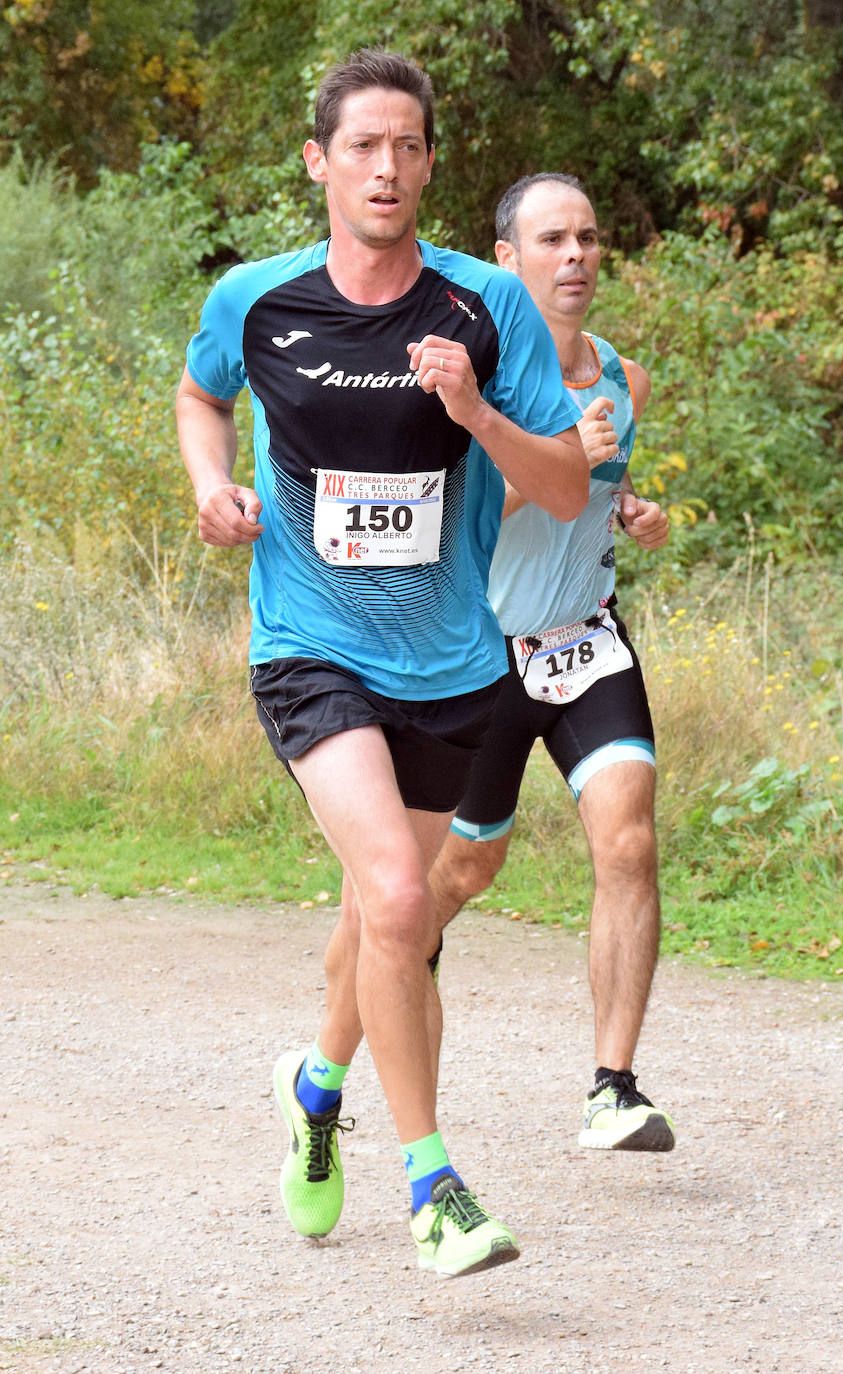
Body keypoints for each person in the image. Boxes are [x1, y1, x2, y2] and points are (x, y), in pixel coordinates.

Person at [175, 54, 587, 1278]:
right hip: (310, 649)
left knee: (385, 916)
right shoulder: (257, 299)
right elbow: (201, 398)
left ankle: (315, 1084)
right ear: (320, 162)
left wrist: (475, 414)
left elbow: (564, 490)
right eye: (363, 146)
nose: (387, 168)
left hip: (451, 663)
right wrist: (212, 487)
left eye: (407, 147)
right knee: (403, 900)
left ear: (427, 165)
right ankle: (435, 1186)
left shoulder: (484, 306)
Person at [429, 173, 676, 1153]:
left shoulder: (625, 375)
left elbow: (603, 494)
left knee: (628, 844)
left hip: (584, 638)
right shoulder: (466, 387)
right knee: (463, 871)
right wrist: (561, 458)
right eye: (550, 239)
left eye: (587, 237)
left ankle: (613, 1087)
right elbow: (454, 523)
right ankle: (390, 972)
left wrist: (627, 507)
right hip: (484, 654)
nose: (574, 255)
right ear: (506, 260)